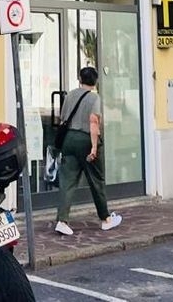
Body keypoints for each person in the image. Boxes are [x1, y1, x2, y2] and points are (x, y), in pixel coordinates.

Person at [53, 65, 122, 235]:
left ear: (80, 79)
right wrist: (94, 147)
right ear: (95, 81)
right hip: (85, 140)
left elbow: (62, 118)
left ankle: (62, 220)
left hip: (69, 139)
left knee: (67, 181)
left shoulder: (70, 95)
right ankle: (105, 219)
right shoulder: (94, 98)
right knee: (96, 179)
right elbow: (93, 122)